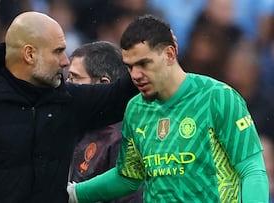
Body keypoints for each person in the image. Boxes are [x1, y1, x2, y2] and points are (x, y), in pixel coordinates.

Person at [0, 11, 138, 203]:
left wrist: (151, 51)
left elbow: (121, 95)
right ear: (29, 54)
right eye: (57, 51)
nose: (65, 61)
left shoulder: (67, 100)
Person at [67, 14, 269, 203]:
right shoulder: (136, 109)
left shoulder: (217, 97)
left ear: (170, 54)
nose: (135, 75)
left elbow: (251, 170)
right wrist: (74, 194)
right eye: (130, 67)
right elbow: (128, 176)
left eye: (144, 64)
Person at [67, 41, 142, 203]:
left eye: (75, 78)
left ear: (103, 84)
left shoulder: (122, 137)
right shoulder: (74, 126)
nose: (68, 87)